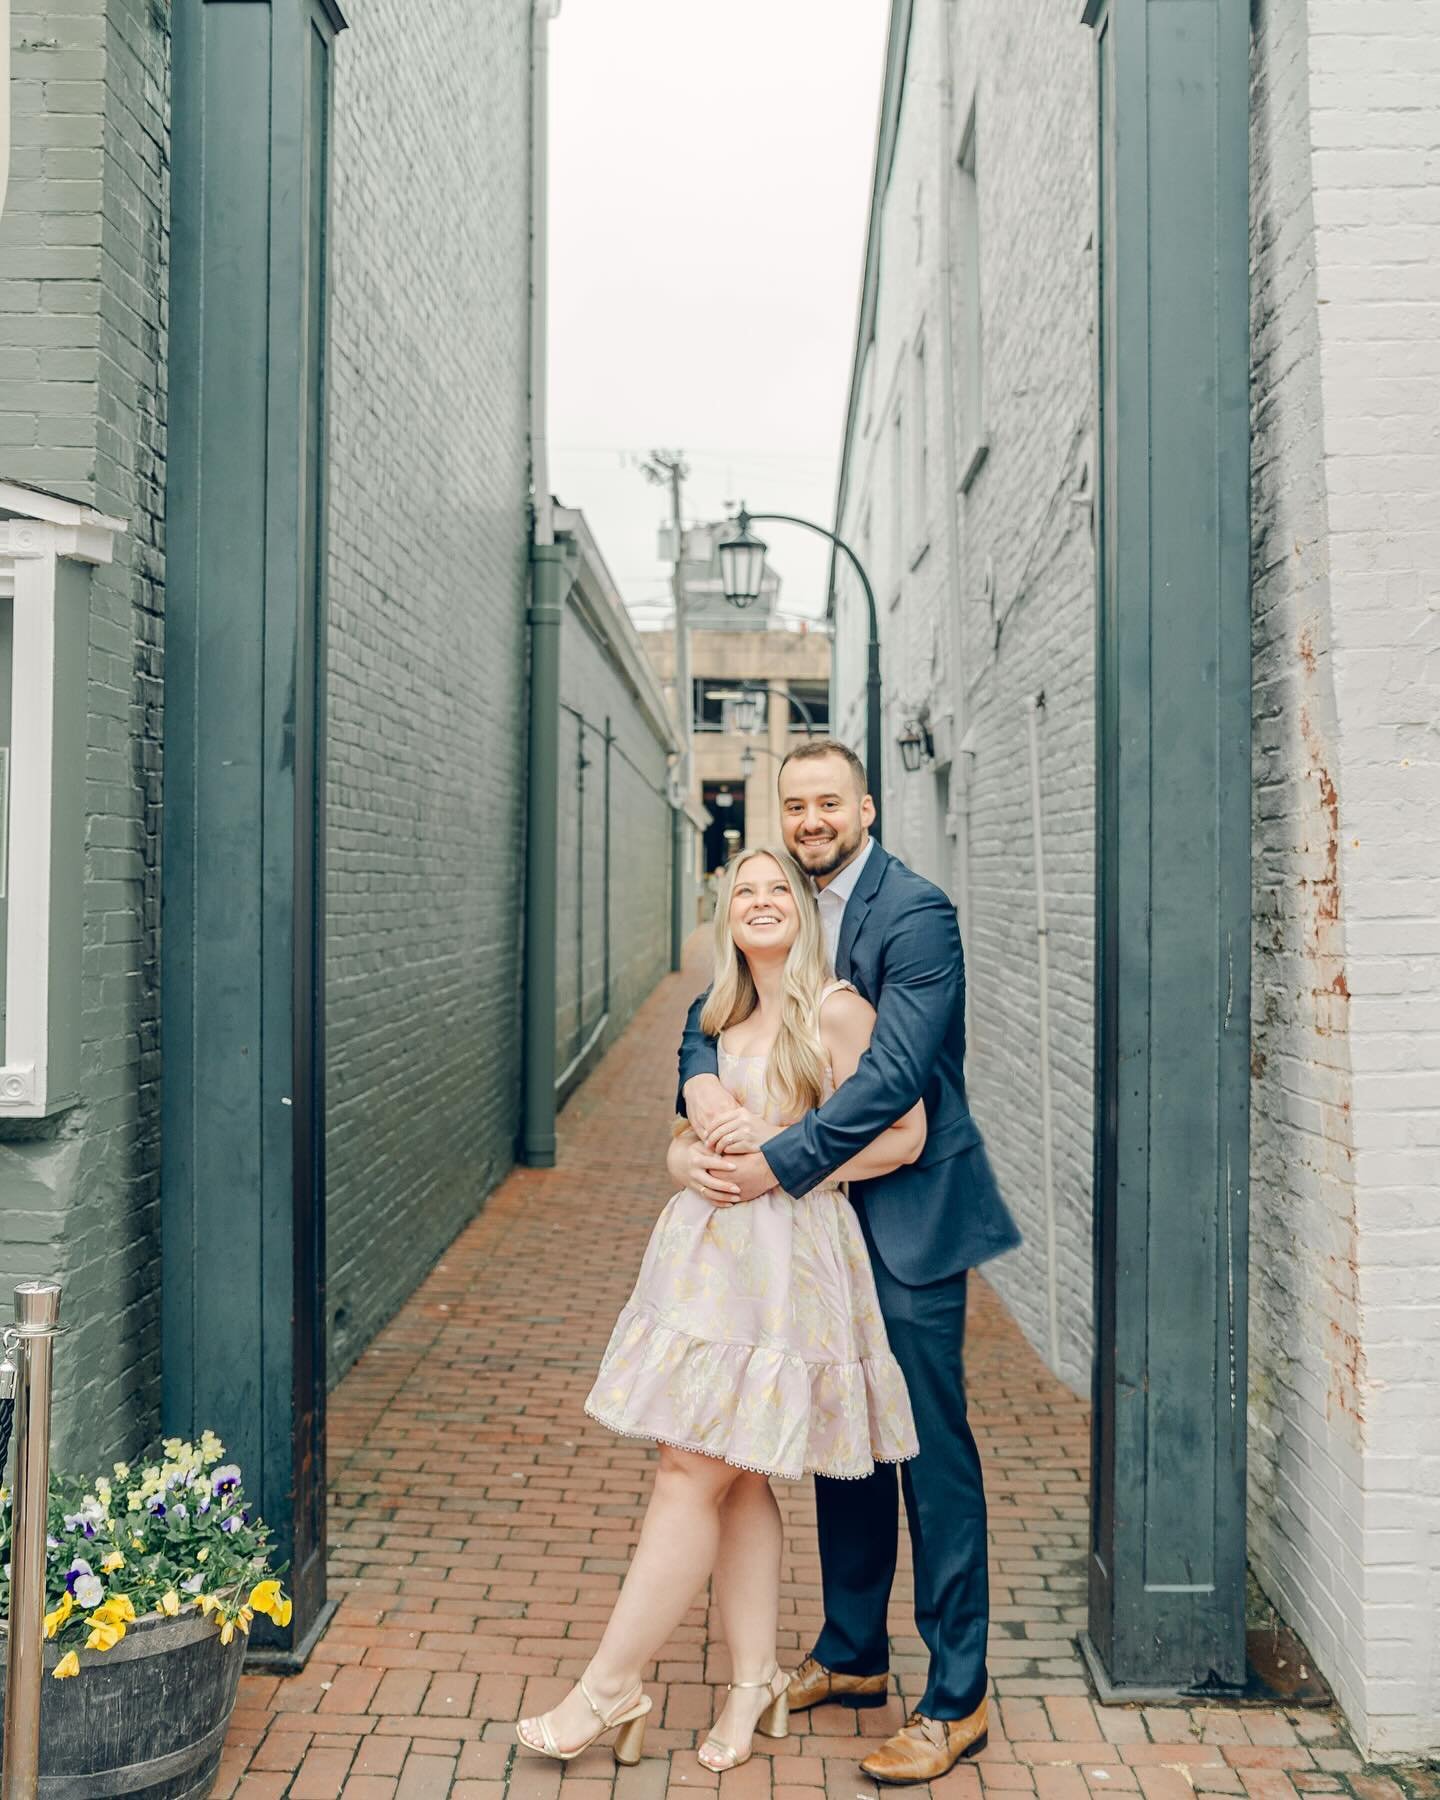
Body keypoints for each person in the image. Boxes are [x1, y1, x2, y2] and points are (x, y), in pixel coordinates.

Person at [517, 845, 923, 1773]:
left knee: (684, 1468)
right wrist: (681, 1161)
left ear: (805, 910)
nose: (764, 901)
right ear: (725, 913)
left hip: (787, 1271)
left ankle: (608, 1687)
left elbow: (905, 1134)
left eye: (780, 888)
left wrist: (786, 1160)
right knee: (735, 1472)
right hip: (706, 1270)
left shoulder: (837, 1011)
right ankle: (754, 1684)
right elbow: (679, 1134)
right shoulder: (718, 1015)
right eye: (745, 891)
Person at [675, 739, 1020, 1786]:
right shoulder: (794, 903)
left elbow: (895, 1078)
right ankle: (852, 1652)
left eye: (830, 802)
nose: (813, 819)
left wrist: (775, 1163)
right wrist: (699, 1086)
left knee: (927, 1451)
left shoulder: (915, 913)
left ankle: (957, 1698)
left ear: (867, 807)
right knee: (846, 1434)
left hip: (907, 1213)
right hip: (822, 1231)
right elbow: (715, 1013)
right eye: (796, 805)